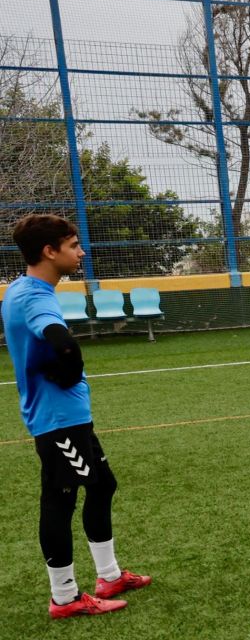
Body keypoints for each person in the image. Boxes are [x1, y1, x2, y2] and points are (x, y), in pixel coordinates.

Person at [5, 215, 152, 619]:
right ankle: (65, 598)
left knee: (102, 485)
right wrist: (71, 364)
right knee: (60, 499)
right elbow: (61, 340)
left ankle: (109, 576)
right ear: (49, 251)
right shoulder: (34, 298)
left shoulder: (25, 288)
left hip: (70, 416)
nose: (81, 252)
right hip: (57, 420)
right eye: (73, 246)